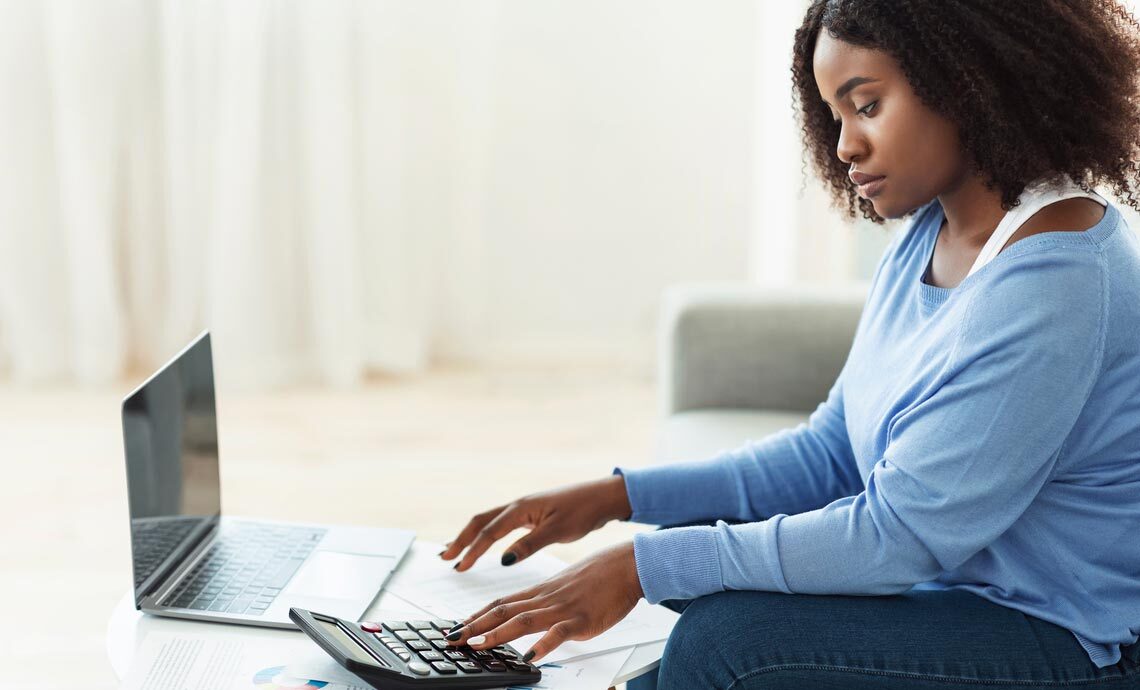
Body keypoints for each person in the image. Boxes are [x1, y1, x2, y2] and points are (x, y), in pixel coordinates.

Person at [435, 1, 1140, 687]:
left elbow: (897, 538)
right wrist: (617, 496)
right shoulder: (933, 230)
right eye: (835, 116)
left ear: (967, 80)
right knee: (672, 631)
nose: (844, 146)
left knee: (727, 641)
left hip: (1070, 640)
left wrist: (642, 565)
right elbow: (831, 453)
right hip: (957, 597)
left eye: (867, 106)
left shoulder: (1055, 279)